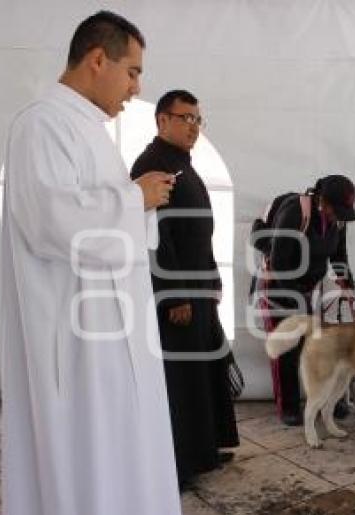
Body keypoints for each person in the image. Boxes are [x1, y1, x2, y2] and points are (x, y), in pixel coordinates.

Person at [0, 11, 184, 515]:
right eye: (132, 72)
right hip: (74, 339)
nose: (137, 87)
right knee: (86, 459)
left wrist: (134, 198)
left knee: (118, 455)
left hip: (111, 330)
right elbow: (52, 222)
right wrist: (136, 200)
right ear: (97, 59)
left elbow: (101, 218)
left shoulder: (89, 129)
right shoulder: (43, 123)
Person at [131, 89, 239, 491]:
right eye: (186, 118)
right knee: (179, 378)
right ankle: (179, 462)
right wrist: (173, 294)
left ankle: (206, 447)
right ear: (162, 120)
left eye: (198, 119)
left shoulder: (182, 163)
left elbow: (197, 231)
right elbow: (156, 237)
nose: (194, 126)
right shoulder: (152, 164)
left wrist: (212, 280)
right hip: (174, 289)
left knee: (203, 369)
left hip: (197, 283)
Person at [258, 175, 355, 426]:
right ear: (322, 201)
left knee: (316, 346)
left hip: (308, 287)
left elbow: (339, 256)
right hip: (279, 286)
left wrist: (349, 288)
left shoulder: (338, 222)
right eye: (338, 209)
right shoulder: (295, 212)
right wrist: (297, 303)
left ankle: (325, 401)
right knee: (287, 347)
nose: (341, 216)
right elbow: (280, 263)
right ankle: (288, 407)